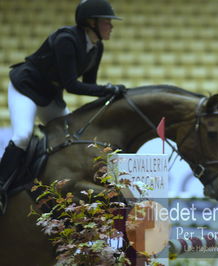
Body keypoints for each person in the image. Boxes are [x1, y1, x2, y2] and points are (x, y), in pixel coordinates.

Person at [0, 0, 126, 214]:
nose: (111, 26)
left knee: (71, 140)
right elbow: (72, 85)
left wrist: (108, 93)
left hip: (50, 95)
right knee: (23, 135)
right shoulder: (66, 40)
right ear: (90, 22)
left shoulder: (96, 46)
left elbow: (90, 85)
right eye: (107, 22)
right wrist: (108, 89)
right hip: (26, 87)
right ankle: (1, 185)